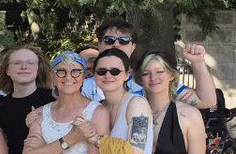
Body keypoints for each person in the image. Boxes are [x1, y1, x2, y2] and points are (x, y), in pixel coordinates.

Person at [81, 21, 218, 108]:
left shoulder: (148, 79)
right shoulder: (83, 87)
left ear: (133, 47)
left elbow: (206, 101)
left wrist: (198, 62)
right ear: (99, 46)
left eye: (124, 40)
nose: (116, 44)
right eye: (109, 40)